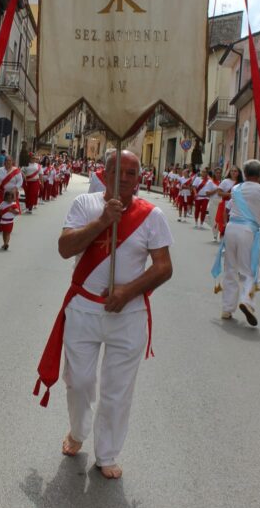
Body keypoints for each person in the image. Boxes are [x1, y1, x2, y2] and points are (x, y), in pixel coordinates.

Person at [50, 150, 173, 479]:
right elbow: (65, 249)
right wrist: (103, 221)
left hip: (128, 314)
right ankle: (78, 431)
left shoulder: (152, 215)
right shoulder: (85, 205)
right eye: (119, 171)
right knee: (78, 381)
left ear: (139, 178)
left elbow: (164, 268)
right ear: (104, 173)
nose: (126, 179)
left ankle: (107, 454)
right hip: (85, 309)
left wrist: (127, 291)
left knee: (117, 391)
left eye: (133, 173)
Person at [214, 159, 260, 327]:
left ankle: (227, 308)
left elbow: (229, 208)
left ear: (245, 173)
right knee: (249, 270)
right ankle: (246, 301)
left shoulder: (236, 188)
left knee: (230, 269)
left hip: (232, 228)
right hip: (248, 231)